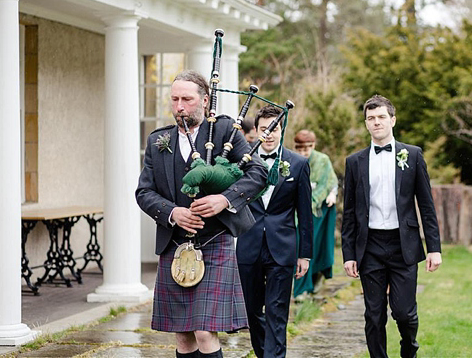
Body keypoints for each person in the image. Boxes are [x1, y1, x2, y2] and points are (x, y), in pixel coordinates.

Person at [136, 70, 267, 358]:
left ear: (205, 100)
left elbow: (258, 172)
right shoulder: (158, 141)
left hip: (214, 241)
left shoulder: (224, 132)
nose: (180, 106)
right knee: (183, 335)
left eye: (187, 99)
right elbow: (144, 193)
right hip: (174, 244)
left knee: (205, 331)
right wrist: (173, 212)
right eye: (174, 99)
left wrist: (224, 199)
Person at [341, 95, 442, 358]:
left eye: (381, 117)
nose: (376, 122)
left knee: (404, 313)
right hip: (370, 246)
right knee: (374, 315)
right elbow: (349, 212)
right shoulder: (355, 162)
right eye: (371, 118)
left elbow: (427, 206)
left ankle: (409, 349)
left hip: (403, 244)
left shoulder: (414, 155)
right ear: (366, 124)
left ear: (392, 120)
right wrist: (349, 254)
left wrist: (434, 248)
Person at [236, 105, 313, 358]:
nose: (268, 134)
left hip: (282, 248)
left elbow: (304, 213)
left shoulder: (298, 164)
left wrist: (305, 254)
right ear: (256, 131)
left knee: (278, 312)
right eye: (263, 129)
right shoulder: (242, 161)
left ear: (282, 130)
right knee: (251, 310)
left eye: (274, 128)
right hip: (249, 246)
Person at [292, 130, 338, 298]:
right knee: (300, 248)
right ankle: (300, 289)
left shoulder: (322, 160)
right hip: (297, 210)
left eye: (306, 149)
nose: (303, 153)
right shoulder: (291, 159)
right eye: (299, 149)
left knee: (318, 246)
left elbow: (331, 182)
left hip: (319, 209)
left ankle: (317, 278)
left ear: (313, 146)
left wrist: (332, 194)